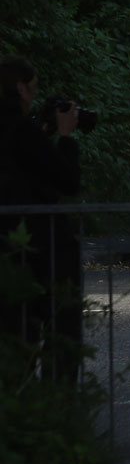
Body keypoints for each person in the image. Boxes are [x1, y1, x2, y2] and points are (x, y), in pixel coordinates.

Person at [0, 54, 83, 380]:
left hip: (10, 250)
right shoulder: (22, 130)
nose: (34, 94)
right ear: (20, 88)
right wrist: (64, 137)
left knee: (14, 332)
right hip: (44, 246)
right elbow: (67, 180)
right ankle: (57, 407)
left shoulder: (19, 131)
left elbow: (25, 163)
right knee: (60, 329)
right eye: (32, 88)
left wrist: (44, 132)